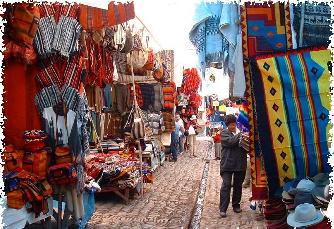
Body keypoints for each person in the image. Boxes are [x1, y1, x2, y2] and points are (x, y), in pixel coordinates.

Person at [219, 114, 247, 218]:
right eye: (230, 124)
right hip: (227, 164)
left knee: (238, 185)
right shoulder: (224, 133)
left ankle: (236, 205)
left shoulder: (241, 132)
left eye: (234, 124)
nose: (232, 126)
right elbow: (230, 142)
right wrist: (241, 135)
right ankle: (223, 209)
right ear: (227, 125)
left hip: (240, 163)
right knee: (226, 185)